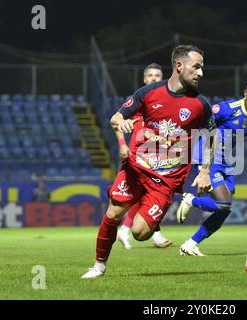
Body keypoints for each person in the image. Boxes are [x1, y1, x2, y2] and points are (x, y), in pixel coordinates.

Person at [82, 44, 213, 279]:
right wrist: (120, 123)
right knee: (113, 213)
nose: (201, 73)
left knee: (140, 233)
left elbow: (210, 138)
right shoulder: (148, 93)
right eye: (197, 67)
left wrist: (204, 171)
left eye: (202, 68)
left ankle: (148, 216)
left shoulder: (200, 105)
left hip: (166, 180)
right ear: (179, 66)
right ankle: (99, 266)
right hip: (137, 168)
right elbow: (117, 117)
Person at [176, 77, 247, 256]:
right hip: (210, 158)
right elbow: (203, 125)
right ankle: (190, 200)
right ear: (245, 93)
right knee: (223, 203)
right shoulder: (227, 109)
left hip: (227, 162)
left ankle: (191, 244)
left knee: (225, 209)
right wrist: (204, 166)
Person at [115, 63, 173, 249]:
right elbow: (117, 121)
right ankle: (150, 234)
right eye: (150, 75)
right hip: (138, 155)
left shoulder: (165, 102)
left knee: (145, 196)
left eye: (157, 75)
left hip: (157, 155)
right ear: (144, 79)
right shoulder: (137, 100)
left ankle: (126, 230)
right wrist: (122, 144)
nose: (154, 78)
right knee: (150, 194)